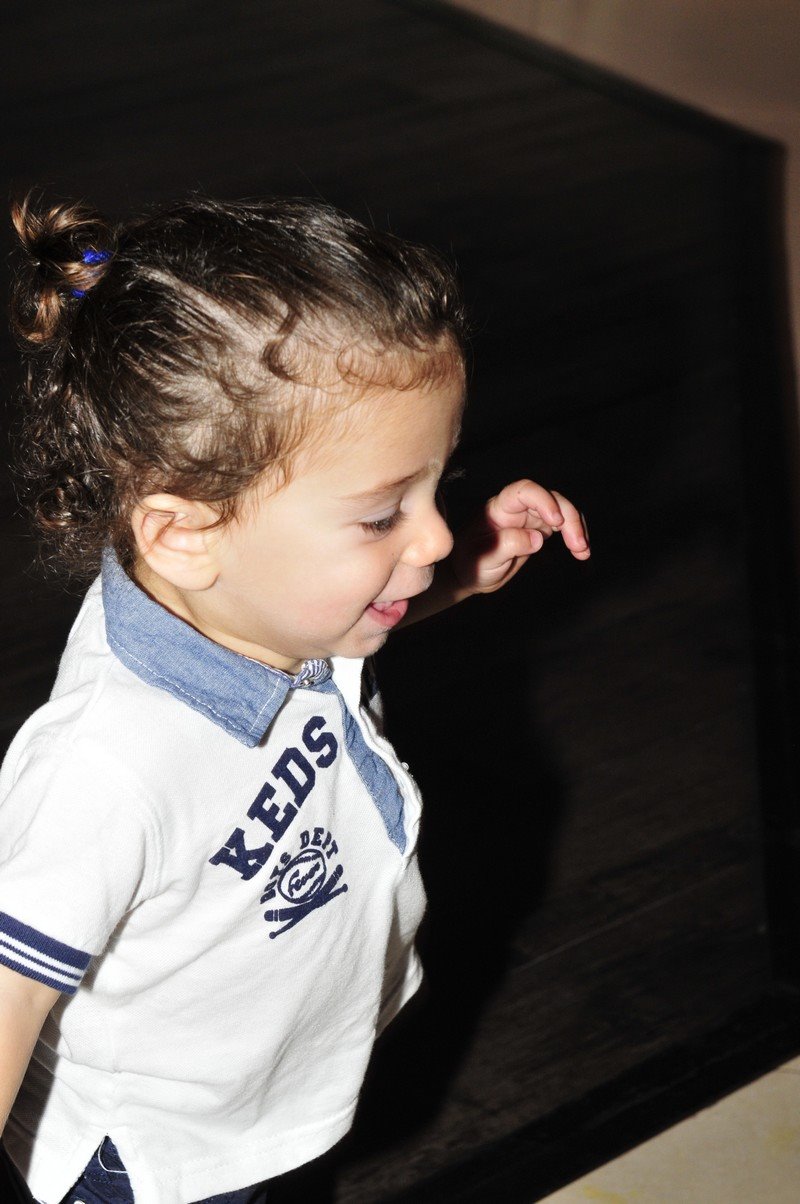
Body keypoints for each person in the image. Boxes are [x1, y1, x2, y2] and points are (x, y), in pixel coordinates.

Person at [0, 194, 590, 1204]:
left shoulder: (257, 604)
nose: (433, 533)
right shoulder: (104, 769)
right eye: (381, 515)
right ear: (185, 533)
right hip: (157, 1161)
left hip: (259, 1090)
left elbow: (348, 618)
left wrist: (457, 577)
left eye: (434, 486)